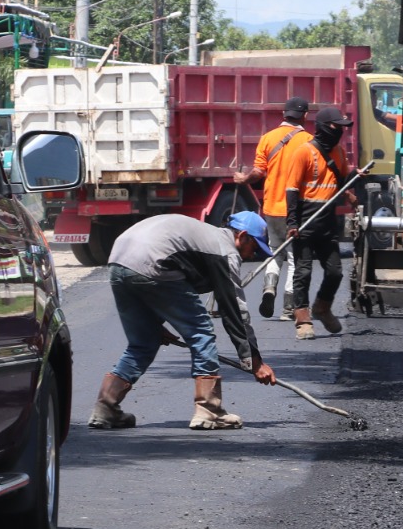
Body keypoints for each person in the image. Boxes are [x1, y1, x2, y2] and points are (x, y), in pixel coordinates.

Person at [88, 211, 277, 431]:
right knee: (201, 332)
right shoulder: (225, 251)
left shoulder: (205, 238)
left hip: (119, 260)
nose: (252, 255)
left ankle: (105, 407)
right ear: (242, 236)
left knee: (144, 342)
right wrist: (254, 360)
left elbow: (160, 283)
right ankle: (209, 410)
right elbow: (234, 309)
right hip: (154, 261)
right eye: (254, 247)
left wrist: (155, 323)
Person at [278, 105, 357, 341]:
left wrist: (350, 191)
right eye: (336, 126)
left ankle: (322, 307)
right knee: (303, 272)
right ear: (323, 127)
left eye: (342, 128)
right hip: (305, 220)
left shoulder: (339, 153)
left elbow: (340, 181)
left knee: (335, 272)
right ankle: (302, 320)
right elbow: (292, 190)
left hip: (327, 222)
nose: (339, 131)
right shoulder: (303, 152)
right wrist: (292, 223)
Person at [234, 96, 310, 319]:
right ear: (305, 116)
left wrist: (244, 179)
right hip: (294, 210)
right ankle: (288, 308)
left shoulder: (267, 138)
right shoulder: (308, 141)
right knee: (295, 259)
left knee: (274, 252)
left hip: (271, 208)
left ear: (283, 115)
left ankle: (269, 289)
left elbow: (258, 171)